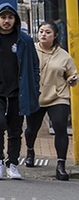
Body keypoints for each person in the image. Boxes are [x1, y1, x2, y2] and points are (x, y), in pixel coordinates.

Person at [0, 3, 40, 180]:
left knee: (15, 129)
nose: (6, 21)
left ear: (15, 20)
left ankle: (13, 164)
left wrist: (35, 85)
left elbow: (34, 65)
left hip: (18, 91)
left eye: (10, 17)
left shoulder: (25, 40)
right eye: (3, 17)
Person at [24, 21, 78, 181]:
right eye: (41, 31)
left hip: (58, 96)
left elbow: (72, 75)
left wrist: (73, 79)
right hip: (36, 96)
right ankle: (30, 150)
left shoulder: (64, 55)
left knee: (60, 127)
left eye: (48, 32)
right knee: (32, 128)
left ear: (55, 36)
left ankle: (60, 165)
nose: (43, 34)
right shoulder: (30, 50)